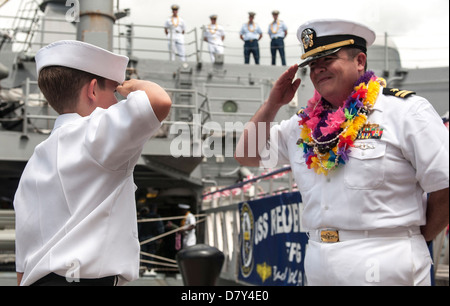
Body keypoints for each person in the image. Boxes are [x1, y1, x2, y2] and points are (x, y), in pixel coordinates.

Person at [235, 19, 449, 286]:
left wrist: (412, 238)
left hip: (386, 261)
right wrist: (272, 104)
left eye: (327, 58)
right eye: (312, 64)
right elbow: (246, 155)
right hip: (319, 262)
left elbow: (445, 187)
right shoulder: (302, 126)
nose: (317, 69)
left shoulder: (406, 112)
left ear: (359, 61)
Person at [14, 40, 172, 286]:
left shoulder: (34, 163)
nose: (119, 101)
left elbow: (23, 265)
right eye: (115, 92)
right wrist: (132, 86)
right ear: (92, 91)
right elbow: (159, 101)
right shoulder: (95, 132)